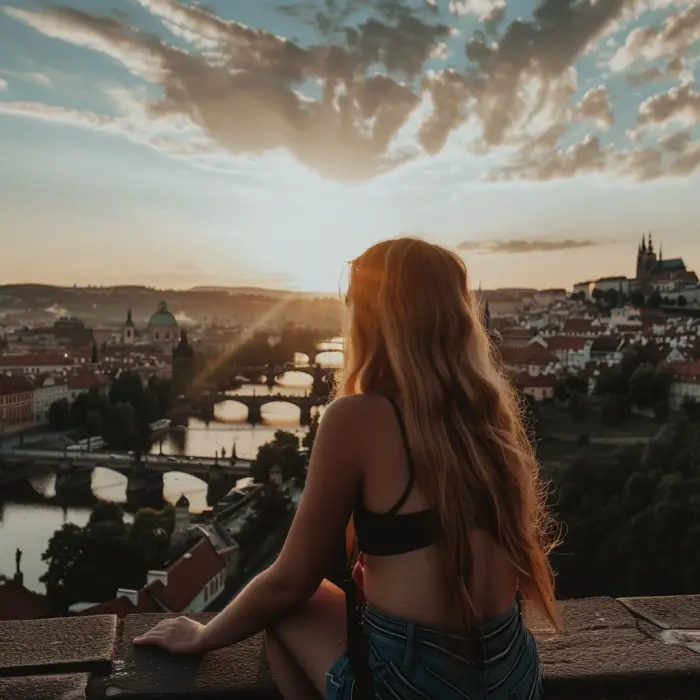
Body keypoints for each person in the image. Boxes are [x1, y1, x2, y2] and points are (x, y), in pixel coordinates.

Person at [133, 237, 563, 699]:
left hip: (419, 681)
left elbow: (291, 582)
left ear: (372, 318)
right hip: (511, 670)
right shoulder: (490, 414)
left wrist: (203, 636)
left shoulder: (359, 417)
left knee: (282, 609)